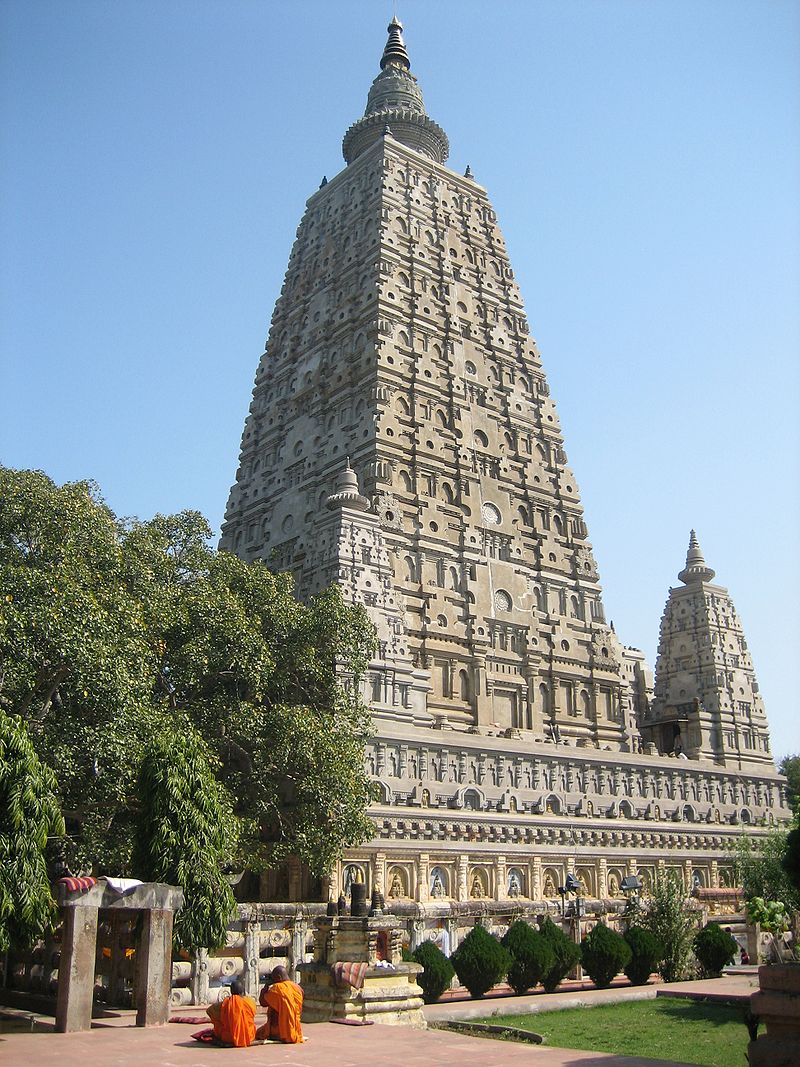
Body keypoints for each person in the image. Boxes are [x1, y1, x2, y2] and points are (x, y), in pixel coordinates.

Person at [199, 979, 256, 1047]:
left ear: (231, 992)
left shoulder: (226, 1003)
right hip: (249, 1036)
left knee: (218, 1024)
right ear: (243, 991)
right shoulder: (250, 1002)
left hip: (229, 1037)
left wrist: (219, 1019)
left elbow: (209, 1011)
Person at [257, 965, 304, 1043]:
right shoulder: (298, 988)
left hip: (279, 1031)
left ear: (278, 977)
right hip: (296, 1029)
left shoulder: (277, 988)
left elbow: (263, 1002)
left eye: (273, 978)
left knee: (259, 1033)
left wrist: (265, 988)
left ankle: (279, 1034)